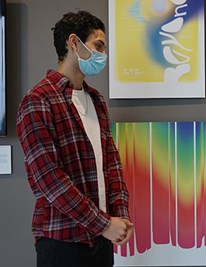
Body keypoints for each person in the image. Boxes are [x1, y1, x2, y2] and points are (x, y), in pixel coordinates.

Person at [16, 11, 133, 267]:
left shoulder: (97, 101)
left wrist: (120, 220)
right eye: (98, 46)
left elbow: (111, 165)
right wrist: (104, 224)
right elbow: (49, 180)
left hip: (102, 240)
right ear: (73, 43)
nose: (103, 55)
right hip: (62, 241)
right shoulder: (38, 100)